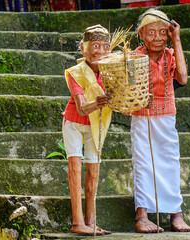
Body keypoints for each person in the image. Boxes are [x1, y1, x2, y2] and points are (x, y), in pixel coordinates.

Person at [129, 8, 190, 233]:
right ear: (141, 35)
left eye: (162, 32)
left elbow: (183, 78)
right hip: (142, 116)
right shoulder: (135, 56)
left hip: (166, 114)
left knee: (170, 162)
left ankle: (176, 214)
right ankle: (142, 216)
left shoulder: (171, 54)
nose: (156, 38)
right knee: (143, 163)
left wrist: (176, 40)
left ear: (168, 34)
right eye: (150, 33)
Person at [61, 24, 112, 236]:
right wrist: (98, 103)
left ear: (109, 50)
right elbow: (81, 108)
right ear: (83, 49)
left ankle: (91, 221)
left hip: (96, 124)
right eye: (94, 46)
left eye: (103, 46)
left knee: (93, 171)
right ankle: (77, 221)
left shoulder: (111, 72)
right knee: (75, 169)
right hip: (74, 122)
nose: (98, 51)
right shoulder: (76, 72)